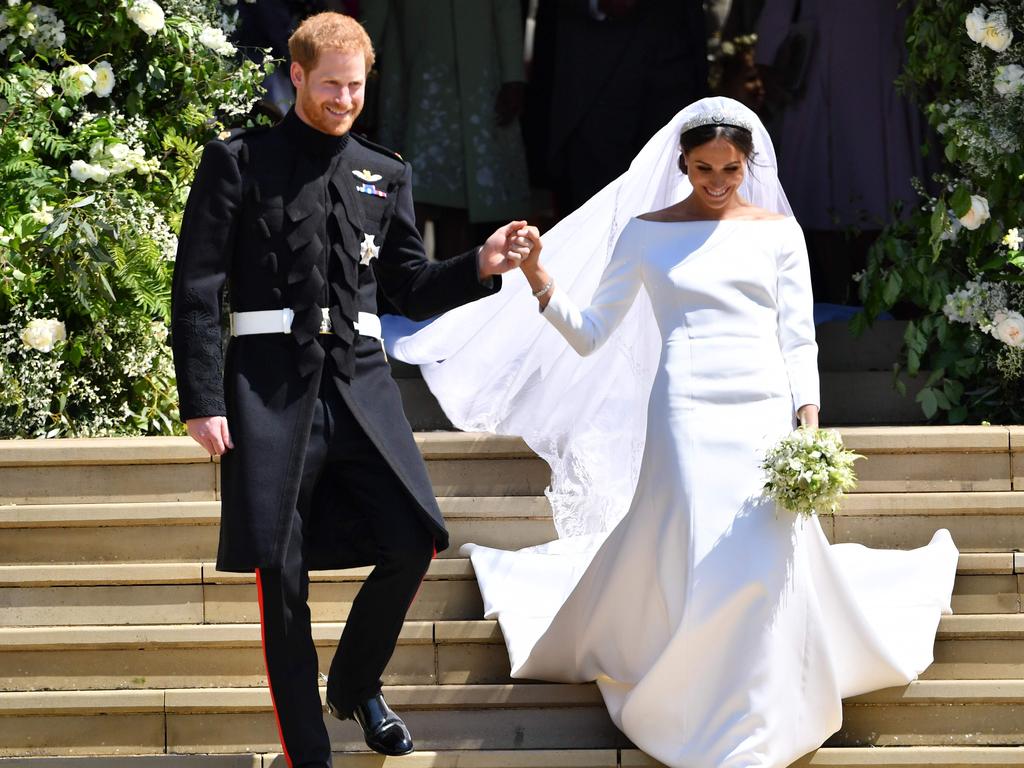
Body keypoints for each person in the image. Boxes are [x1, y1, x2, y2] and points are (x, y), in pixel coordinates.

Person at [382, 97, 959, 768]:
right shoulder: (646, 233)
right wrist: (539, 277)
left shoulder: (778, 233)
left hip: (763, 406)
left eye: (731, 169)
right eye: (703, 168)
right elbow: (592, 335)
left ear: (749, 165)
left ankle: (762, 708)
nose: (716, 182)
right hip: (683, 407)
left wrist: (808, 421)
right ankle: (697, 697)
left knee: (764, 550)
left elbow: (798, 337)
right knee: (694, 534)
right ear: (682, 164)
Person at [170, 12, 530, 765]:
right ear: (296, 76)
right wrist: (202, 400)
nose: (343, 99)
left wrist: (481, 265)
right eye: (330, 83)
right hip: (268, 393)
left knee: (415, 538)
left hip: (363, 389)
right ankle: (311, 757)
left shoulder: (384, 168)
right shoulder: (237, 161)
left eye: (356, 86)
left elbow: (406, 285)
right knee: (284, 577)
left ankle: (357, 683)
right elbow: (197, 290)